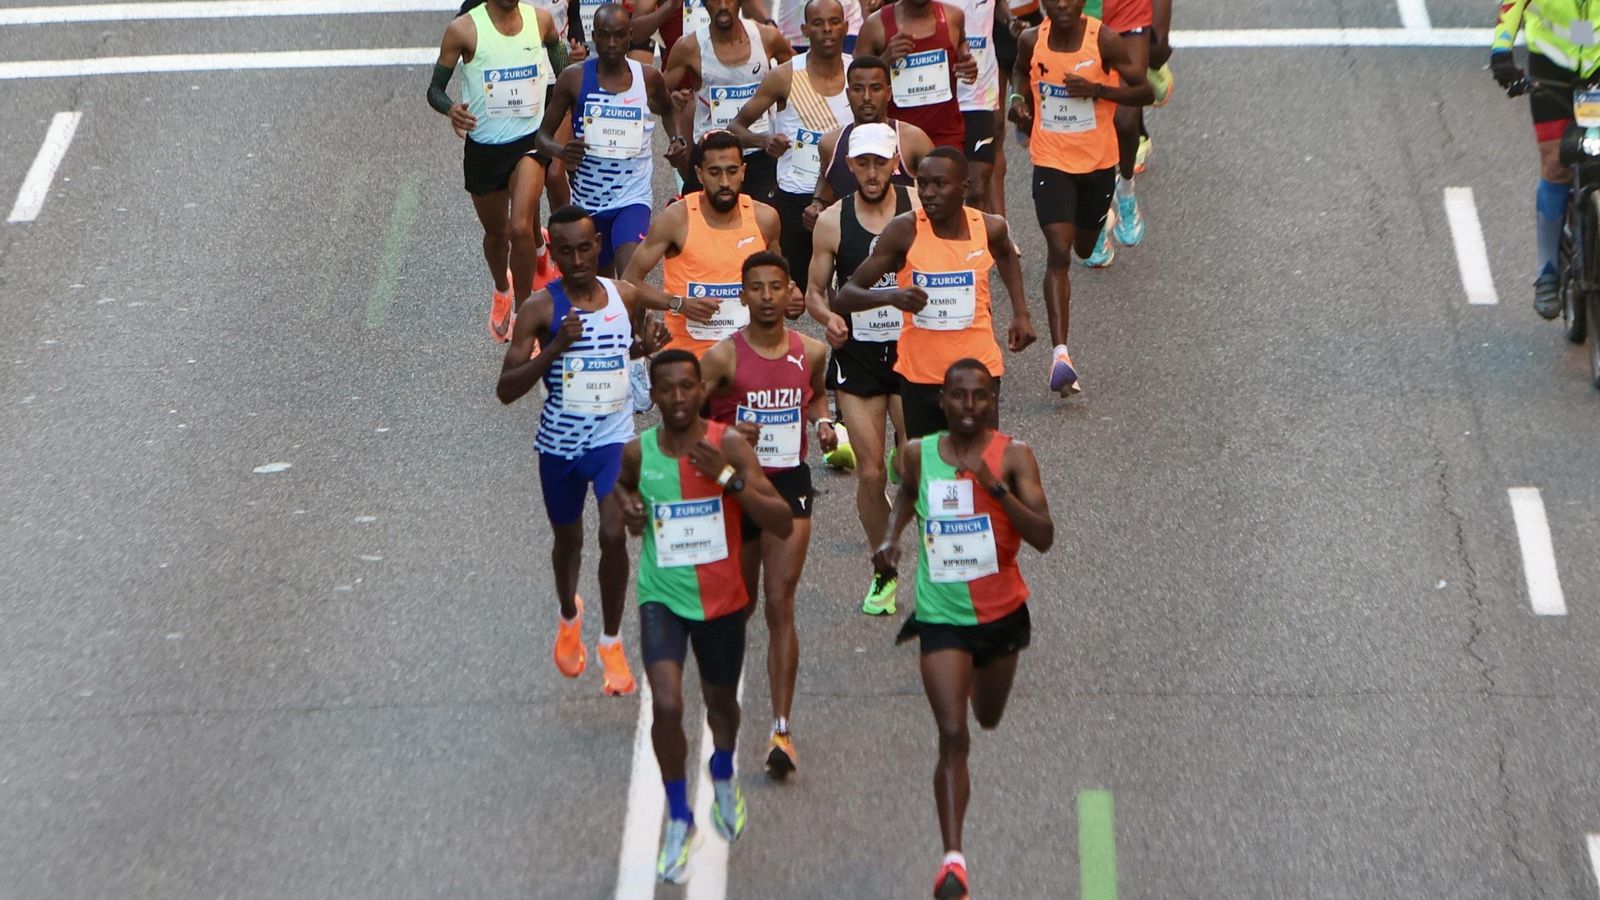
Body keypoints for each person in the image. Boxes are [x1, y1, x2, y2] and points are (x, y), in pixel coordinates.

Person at [495, 206, 716, 694]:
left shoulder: (624, 295)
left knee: (614, 533)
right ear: (551, 251)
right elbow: (506, 389)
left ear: (599, 245)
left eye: (586, 248)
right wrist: (553, 349)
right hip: (559, 446)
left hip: (612, 440)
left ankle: (611, 642)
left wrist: (646, 346)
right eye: (566, 251)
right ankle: (569, 614)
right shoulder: (540, 308)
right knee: (568, 542)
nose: (578, 259)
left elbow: (621, 350)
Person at [871, 358, 1054, 900]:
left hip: (1000, 614)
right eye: (958, 396)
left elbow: (1044, 536)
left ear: (994, 398)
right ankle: (953, 862)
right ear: (943, 400)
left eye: (979, 397)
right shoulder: (917, 454)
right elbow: (905, 493)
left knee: (987, 718)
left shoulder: (1015, 457)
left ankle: (975, 678)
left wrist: (996, 491)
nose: (968, 406)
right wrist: (890, 539)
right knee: (953, 735)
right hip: (941, 614)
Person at [614, 349, 795, 883]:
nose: (675, 398)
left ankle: (722, 768)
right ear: (654, 391)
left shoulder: (729, 444)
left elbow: (780, 520)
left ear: (701, 391)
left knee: (720, 706)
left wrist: (729, 479)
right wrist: (626, 508)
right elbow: (620, 491)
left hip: (721, 600)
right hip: (662, 597)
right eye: (665, 388)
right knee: (667, 705)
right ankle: (678, 816)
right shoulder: (637, 452)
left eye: (686, 388)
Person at [701, 251, 834, 778]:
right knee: (739, 607)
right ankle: (724, 711)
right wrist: (727, 436)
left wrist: (823, 425)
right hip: (736, 492)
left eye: (775, 287)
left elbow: (818, 396)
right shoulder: (721, 358)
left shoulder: (812, 351)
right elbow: (686, 420)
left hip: (790, 486)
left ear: (789, 293)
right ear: (742, 295)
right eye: (755, 288)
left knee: (780, 602)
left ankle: (782, 729)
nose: (766, 297)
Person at [837, 148, 1033, 438]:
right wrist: (891, 297)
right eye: (922, 184)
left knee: (979, 467)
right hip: (921, 375)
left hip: (977, 373)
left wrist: (1021, 313)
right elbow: (846, 295)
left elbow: (1005, 253)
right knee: (928, 472)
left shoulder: (989, 227)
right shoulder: (904, 231)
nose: (928, 193)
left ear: (964, 188)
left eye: (939, 184)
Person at [1008, 0, 1151, 395]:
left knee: (1085, 246)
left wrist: (1099, 90)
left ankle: (1101, 223)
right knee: (1059, 251)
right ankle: (1061, 356)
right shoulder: (1032, 39)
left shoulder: (1102, 39)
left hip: (1097, 164)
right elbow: (1020, 72)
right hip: (1051, 161)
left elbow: (1144, 90)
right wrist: (1018, 102)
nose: (1063, 4)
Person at [805, 123, 917, 615]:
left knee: (919, 468)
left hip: (915, 355)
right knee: (870, 473)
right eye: (862, 163)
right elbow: (814, 291)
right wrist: (828, 318)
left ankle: (943, 566)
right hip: (859, 358)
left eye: (880, 163)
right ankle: (884, 571)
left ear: (896, 162)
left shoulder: (920, 207)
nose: (872, 173)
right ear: (849, 166)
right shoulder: (832, 221)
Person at [429, 0, 568, 342]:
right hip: (485, 149)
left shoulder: (541, 20)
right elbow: (434, 90)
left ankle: (524, 314)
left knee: (521, 226)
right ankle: (502, 289)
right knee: (498, 235)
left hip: (529, 144)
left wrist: (567, 94)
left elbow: (563, 68)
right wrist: (451, 110)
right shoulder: (463, 30)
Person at [538, 3, 688, 281]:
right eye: (604, 35)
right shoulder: (574, 79)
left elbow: (668, 109)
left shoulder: (647, 77)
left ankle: (639, 326)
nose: (612, 43)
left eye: (619, 35)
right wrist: (562, 151)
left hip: (632, 198)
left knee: (631, 281)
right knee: (601, 288)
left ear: (630, 35)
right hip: (588, 202)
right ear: (594, 36)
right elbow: (542, 136)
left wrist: (677, 138)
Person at [622, 131, 793, 358]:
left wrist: (793, 297)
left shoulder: (765, 219)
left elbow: (781, 281)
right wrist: (678, 304)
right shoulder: (676, 219)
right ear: (699, 174)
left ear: (743, 171)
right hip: (690, 359)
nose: (724, 182)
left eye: (732, 171)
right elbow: (629, 282)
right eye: (714, 172)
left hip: (748, 357)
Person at [727, 0, 855, 291]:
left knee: (847, 292)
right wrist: (764, 140)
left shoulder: (857, 74)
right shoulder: (784, 75)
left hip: (845, 196)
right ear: (804, 29)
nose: (827, 30)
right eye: (818, 23)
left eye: (834, 22)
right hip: (796, 198)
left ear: (846, 27)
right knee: (792, 294)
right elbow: (735, 128)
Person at [1491, 0, 1600, 317]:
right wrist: (1501, 53)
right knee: (1556, 164)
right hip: (1553, 65)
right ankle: (1548, 273)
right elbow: (1510, 6)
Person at [660, 0, 794, 200]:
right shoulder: (689, 46)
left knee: (764, 222)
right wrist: (673, 103)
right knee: (701, 225)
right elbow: (657, 99)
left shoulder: (767, 37)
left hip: (759, 150)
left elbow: (801, 80)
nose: (723, 6)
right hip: (711, 153)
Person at [808, 54, 933, 216]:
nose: (867, 97)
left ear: (888, 93)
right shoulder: (830, 143)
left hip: (900, 236)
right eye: (858, 89)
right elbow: (827, 179)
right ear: (848, 94)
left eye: (875, 89)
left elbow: (937, 186)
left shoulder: (913, 140)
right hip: (850, 237)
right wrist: (817, 203)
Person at [854, 0, 977, 154]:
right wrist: (885, 60)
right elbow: (856, 80)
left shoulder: (953, 16)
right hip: (894, 138)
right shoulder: (875, 25)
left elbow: (961, 43)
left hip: (945, 135)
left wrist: (966, 60)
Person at [988, 0, 1043, 215]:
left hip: (1027, 24)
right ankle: (998, 225)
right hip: (983, 34)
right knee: (993, 130)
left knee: (1040, 126)